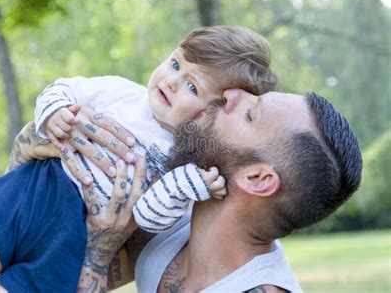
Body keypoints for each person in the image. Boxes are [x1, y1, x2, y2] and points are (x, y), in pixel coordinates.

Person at [0, 26, 278, 293]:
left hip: (74, 238)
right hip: (34, 191)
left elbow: (148, 215)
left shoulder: (182, 163)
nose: (171, 82)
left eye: (192, 87)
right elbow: (64, 88)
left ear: (211, 115)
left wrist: (190, 185)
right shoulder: (122, 93)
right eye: (174, 64)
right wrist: (54, 113)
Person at [67, 89, 361, 292]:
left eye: (250, 113)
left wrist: (99, 254)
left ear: (257, 179)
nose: (231, 93)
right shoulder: (169, 222)